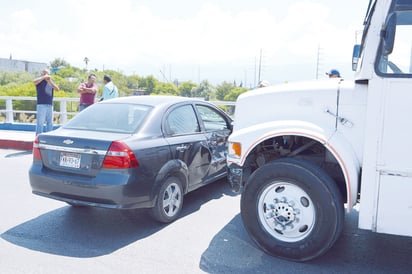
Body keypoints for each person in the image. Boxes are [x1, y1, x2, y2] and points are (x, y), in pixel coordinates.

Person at [33, 68, 60, 136]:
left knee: (50, 122)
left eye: (47, 73)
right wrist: (43, 77)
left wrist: (50, 81)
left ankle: (49, 136)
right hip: (41, 104)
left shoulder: (50, 82)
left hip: (49, 104)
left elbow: (57, 89)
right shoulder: (39, 81)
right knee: (40, 122)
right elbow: (34, 82)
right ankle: (38, 137)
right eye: (44, 73)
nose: (46, 75)